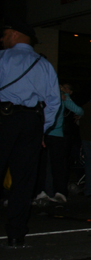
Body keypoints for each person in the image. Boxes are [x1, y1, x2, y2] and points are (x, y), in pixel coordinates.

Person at [0, 18, 60, 247]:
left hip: (4, 119)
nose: (2, 38)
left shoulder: (3, 58)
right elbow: (53, 102)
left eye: (5, 34)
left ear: (15, 34)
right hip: (31, 121)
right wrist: (41, 128)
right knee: (24, 180)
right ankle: (16, 234)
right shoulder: (43, 64)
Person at [36, 82, 84, 203]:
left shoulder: (54, 95)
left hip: (49, 133)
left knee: (49, 165)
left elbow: (79, 110)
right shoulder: (57, 95)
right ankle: (53, 192)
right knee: (53, 165)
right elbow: (79, 110)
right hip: (51, 134)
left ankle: (50, 192)